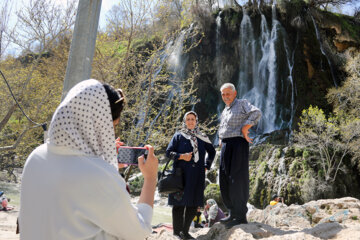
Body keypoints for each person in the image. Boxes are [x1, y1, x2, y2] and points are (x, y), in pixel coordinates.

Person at [19, 79, 158, 240]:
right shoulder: (97, 176)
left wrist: (103, 162)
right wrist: (150, 178)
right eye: (111, 127)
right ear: (99, 125)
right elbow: (139, 231)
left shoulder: (35, 156)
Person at [218, 83, 262, 229]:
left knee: (237, 179)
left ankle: (241, 216)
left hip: (238, 144)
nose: (225, 96)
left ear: (235, 93)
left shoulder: (242, 103)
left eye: (228, 93)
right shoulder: (225, 110)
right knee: (224, 179)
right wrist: (220, 138)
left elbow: (256, 112)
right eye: (223, 94)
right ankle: (232, 212)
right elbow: (223, 127)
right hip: (225, 145)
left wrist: (246, 127)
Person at [166, 111, 216, 239]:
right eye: (188, 119)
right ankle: (177, 233)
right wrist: (181, 156)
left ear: (196, 121)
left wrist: (206, 166)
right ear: (184, 121)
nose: (190, 121)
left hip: (197, 175)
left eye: (192, 119)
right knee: (178, 205)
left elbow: (212, 152)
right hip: (180, 175)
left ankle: (185, 232)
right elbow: (168, 153)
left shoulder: (202, 137)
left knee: (193, 204)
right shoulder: (178, 136)